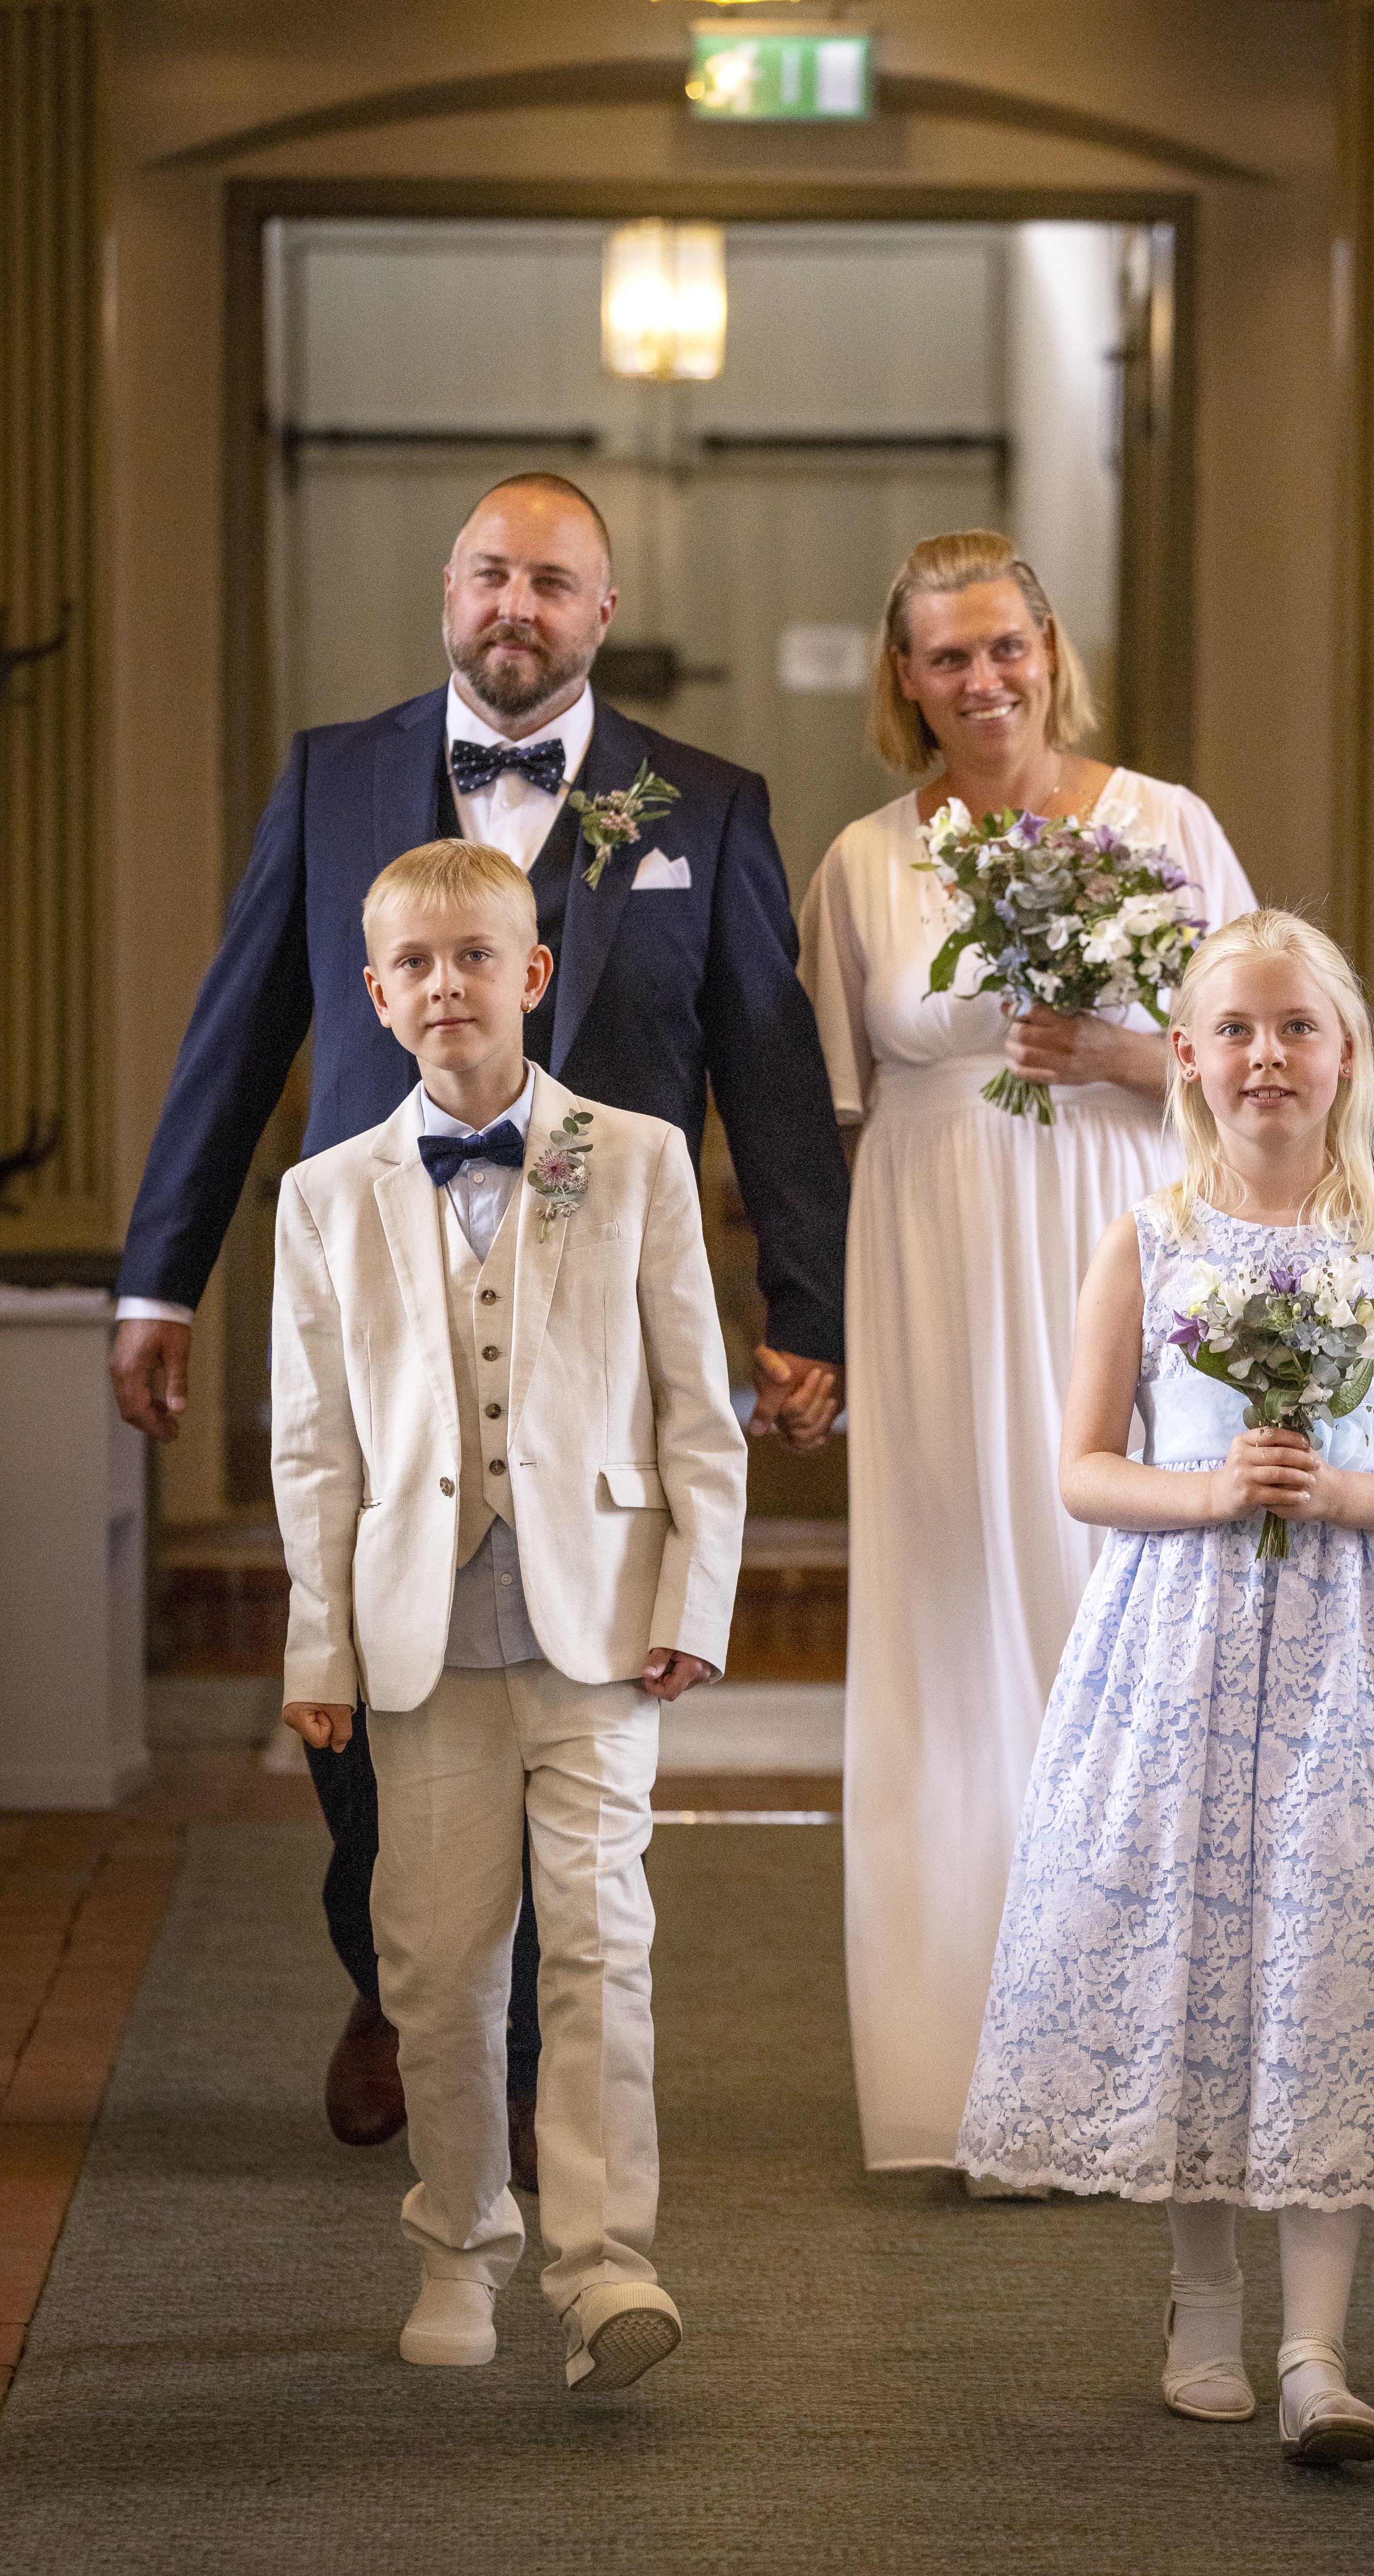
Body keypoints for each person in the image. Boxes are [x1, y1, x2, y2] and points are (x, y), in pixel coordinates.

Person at [110, 473, 848, 2167]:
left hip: (595, 1332)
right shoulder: (332, 777)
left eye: (556, 582)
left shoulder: (704, 807)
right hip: (380, 1312)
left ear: (602, 614)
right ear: (449, 592)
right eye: (493, 575)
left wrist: (802, 1305)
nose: (519, 605)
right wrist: (163, 1275)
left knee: (571, 1678)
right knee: (373, 1675)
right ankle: (392, 1979)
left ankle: (519, 2071)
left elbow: (773, 1077)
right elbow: (237, 1036)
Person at [959, 909, 1374, 2463]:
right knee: (1193, 1954)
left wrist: (1347, 1493)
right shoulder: (1149, 1240)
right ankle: (1204, 2302)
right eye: (1239, 1031)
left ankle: (1319, 2354)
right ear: (1187, 1061)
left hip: (1356, 1651)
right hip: (1178, 1638)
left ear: (1345, 1059)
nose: (1269, 1056)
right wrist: (1210, 1493)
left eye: (1299, 1029)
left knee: (1330, 1961)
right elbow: (1080, 1470)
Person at [796, 530, 1256, 2173]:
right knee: (950, 1634)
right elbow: (821, 1114)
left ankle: (1153, 2066)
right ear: (903, 681)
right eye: (945, 659)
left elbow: (1278, 1062)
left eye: (1007, 649)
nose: (982, 682)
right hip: (931, 1261)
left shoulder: (1168, 825)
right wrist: (810, 1330)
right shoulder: (864, 861)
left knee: (1123, 1621)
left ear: (1052, 649)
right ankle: (956, 2080)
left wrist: (1135, 1054)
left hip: (1123, 1251)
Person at [273, 836, 748, 2392]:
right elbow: (315, 1446)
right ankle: (458, 2243)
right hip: (419, 1642)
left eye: (476, 955)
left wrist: (696, 1594)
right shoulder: (324, 1198)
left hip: (600, 1625)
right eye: (414, 964)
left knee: (602, 1946)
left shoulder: (635, 1156)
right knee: (440, 1962)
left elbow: (697, 1410)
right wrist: (319, 1646)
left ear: (531, 974)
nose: (446, 985)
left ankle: (607, 2267)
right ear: (375, 994)